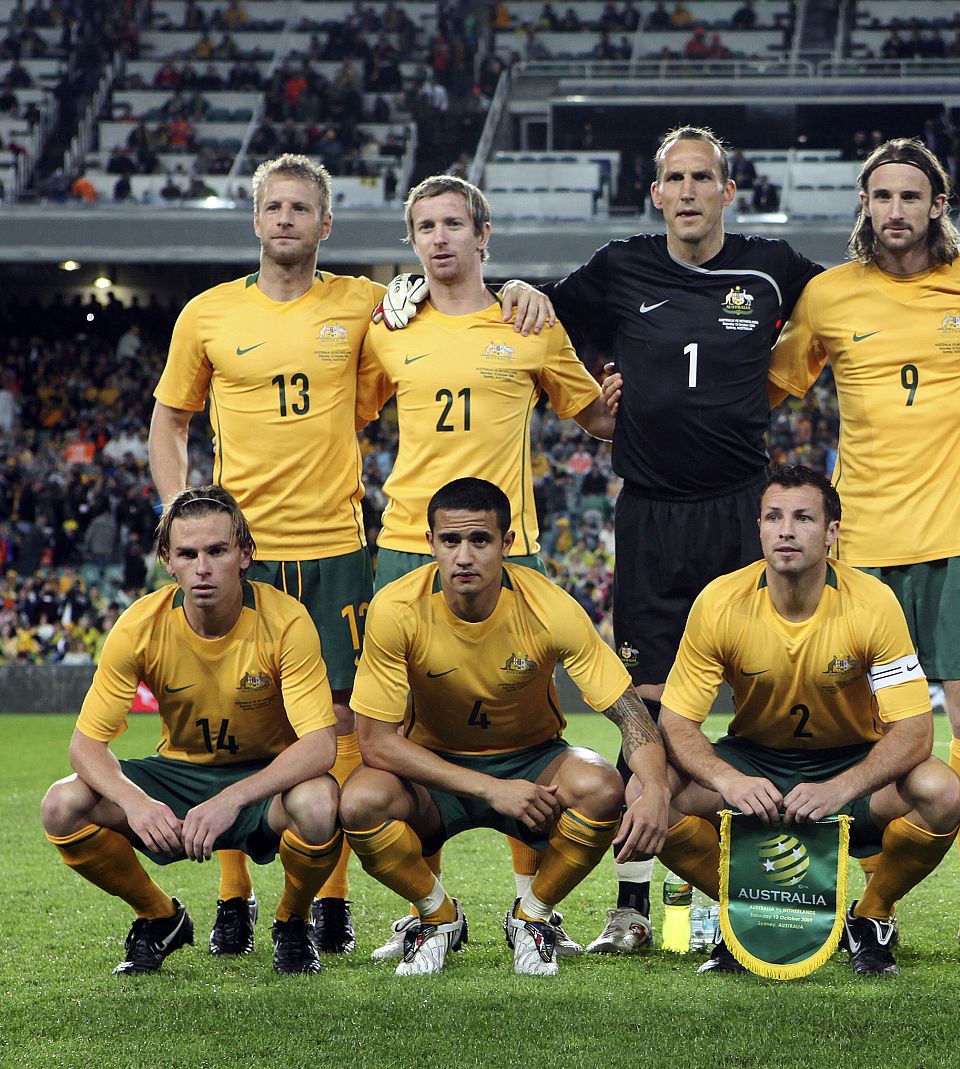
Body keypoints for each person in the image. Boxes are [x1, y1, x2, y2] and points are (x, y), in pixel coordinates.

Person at [149, 154, 543, 959]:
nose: (287, 218)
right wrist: (179, 509)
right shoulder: (208, 314)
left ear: (326, 225)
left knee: (337, 725)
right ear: (256, 219)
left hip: (337, 544)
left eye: (303, 208)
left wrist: (522, 290)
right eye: (274, 206)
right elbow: (170, 420)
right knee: (239, 722)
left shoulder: (369, 306)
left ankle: (328, 901)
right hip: (239, 550)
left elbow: (453, 302)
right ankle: (233, 897)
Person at [540, 126, 824, 952]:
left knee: (763, 701)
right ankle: (633, 903)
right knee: (649, 706)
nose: (690, 190)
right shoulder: (619, 265)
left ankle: (746, 884)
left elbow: (864, 288)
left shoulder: (771, 266)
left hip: (743, 512)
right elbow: (532, 316)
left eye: (705, 177)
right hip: (652, 515)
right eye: (676, 178)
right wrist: (584, 400)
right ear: (656, 193)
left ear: (728, 192)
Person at [771, 138, 960, 957]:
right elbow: (769, 383)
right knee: (859, 729)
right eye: (881, 197)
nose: (896, 211)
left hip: (958, 536)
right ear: (864, 205)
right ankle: (855, 905)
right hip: (865, 543)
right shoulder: (830, 294)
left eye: (911, 196)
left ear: (938, 204)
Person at [359, 174, 614, 960]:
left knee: (525, 717)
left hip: (511, 547)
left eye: (452, 224)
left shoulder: (530, 321)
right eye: (424, 226)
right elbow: (349, 408)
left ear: (483, 235)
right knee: (405, 728)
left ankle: (531, 904)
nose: (438, 238)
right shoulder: (386, 327)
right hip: (408, 539)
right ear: (413, 242)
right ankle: (428, 913)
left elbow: (597, 416)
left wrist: (649, 387)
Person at [341, 478, 670, 975]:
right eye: (450, 542)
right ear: (430, 544)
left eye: (480, 540)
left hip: (533, 762)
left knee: (602, 784)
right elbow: (376, 743)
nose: (464, 556)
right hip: (435, 772)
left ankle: (533, 917)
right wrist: (492, 788)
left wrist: (658, 790)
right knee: (359, 800)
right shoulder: (395, 608)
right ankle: (436, 917)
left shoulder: (550, 606)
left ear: (507, 544)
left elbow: (629, 712)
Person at [654, 465, 960, 976]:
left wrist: (841, 788)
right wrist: (728, 779)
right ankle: (745, 914)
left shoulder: (873, 602)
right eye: (773, 517)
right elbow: (678, 720)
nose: (786, 530)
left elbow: (914, 729)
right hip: (755, 760)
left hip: (852, 762)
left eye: (803, 517)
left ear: (832, 532)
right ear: (758, 527)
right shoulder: (719, 602)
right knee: (652, 797)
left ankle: (871, 915)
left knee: (942, 791)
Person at [39, 487, 341, 976]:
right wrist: (136, 803)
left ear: (245, 555)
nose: (203, 567)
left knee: (320, 803)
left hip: (264, 780)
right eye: (188, 553)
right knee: (61, 805)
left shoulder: (286, 620)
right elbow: (86, 745)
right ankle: (159, 917)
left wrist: (233, 799)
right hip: (179, 775)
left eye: (217, 551)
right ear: (167, 560)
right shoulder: (139, 625)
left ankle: (292, 921)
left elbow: (320, 745)